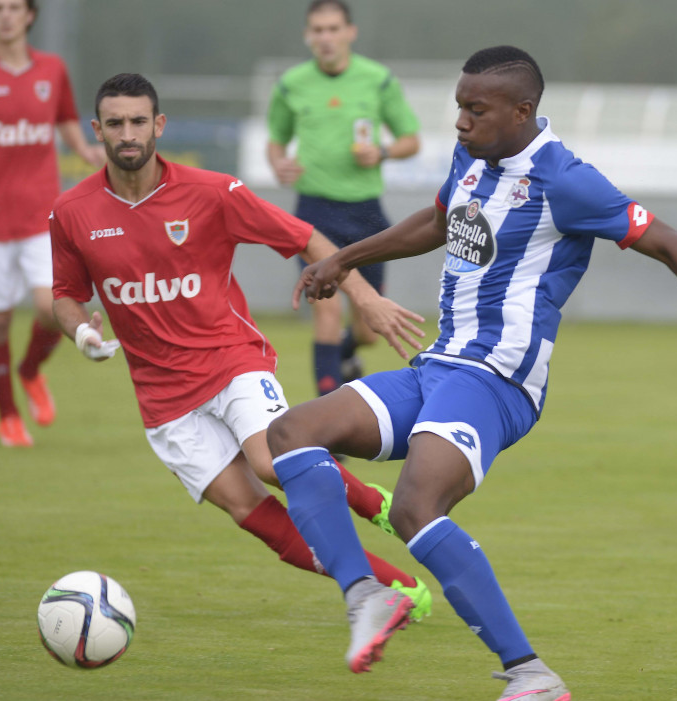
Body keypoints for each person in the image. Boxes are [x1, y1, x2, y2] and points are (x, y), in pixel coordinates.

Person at [266, 46, 677, 700]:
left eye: (475, 109)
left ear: (522, 111)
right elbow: (438, 220)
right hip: (437, 365)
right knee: (291, 433)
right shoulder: (473, 155)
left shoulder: (566, 181)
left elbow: (671, 243)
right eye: (459, 106)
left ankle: (529, 673)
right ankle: (366, 593)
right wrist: (344, 259)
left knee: (414, 506)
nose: (460, 121)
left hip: (497, 379)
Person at [49, 73, 432, 621]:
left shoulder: (212, 192)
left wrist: (365, 298)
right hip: (162, 399)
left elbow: (304, 237)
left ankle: (376, 504)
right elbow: (66, 293)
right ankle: (393, 587)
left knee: (274, 463)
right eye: (115, 124)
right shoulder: (72, 212)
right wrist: (82, 332)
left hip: (231, 360)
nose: (127, 134)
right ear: (97, 130)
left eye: (138, 121)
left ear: (158, 125)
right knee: (249, 510)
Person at [0, 0, 106, 447]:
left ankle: (30, 371)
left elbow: (64, 116)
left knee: (51, 308)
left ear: (29, 15)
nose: (6, 15)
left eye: (14, 7)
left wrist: (83, 149)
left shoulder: (52, 69)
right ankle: (8, 416)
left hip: (42, 216)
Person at [266, 0, 421, 398]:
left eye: (333, 29)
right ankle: (328, 424)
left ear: (350, 32)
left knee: (369, 330)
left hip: (366, 213)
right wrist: (279, 164)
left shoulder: (378, 80)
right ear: (308, 36)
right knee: (327, 311)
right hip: (315, 212)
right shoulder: (291, 84)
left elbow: (411, 139)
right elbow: (275, 142)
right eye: (318, 30)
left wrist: (383, 152)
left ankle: (348, 355)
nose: (326, 38)